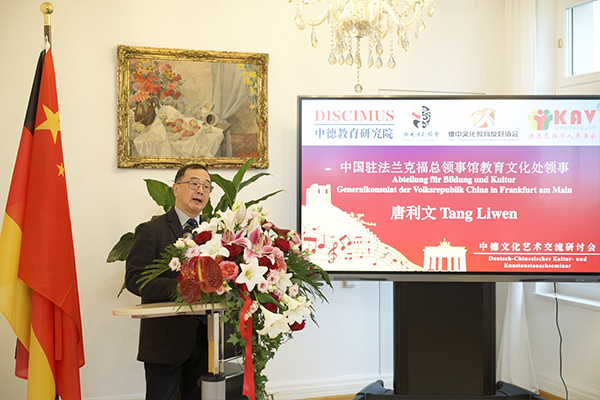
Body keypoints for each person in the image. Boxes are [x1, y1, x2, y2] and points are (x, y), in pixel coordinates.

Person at [125, 163, 213, 400]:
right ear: (176, 188)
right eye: (194, 184)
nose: (201, 190)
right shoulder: (151, 230)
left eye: (206, 187)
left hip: (207, 341)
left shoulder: (217, 234)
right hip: (165, 341)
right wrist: (180, 289)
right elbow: (135, 278)